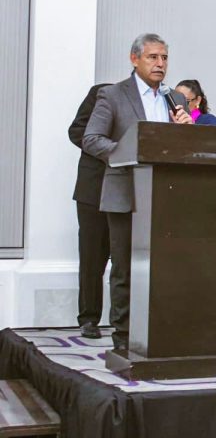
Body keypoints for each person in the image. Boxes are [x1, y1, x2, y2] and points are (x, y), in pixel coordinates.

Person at [82, 33, 192, 350]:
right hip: (125, 193)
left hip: (166, 195)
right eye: (152, 57)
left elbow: (181, 150)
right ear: (135, 59)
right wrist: (130, 152)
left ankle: (161, 330)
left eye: (164, 58)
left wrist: (187, 133)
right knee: (125, 268)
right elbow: (92, 139)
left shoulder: (176, 99)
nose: (160, 64)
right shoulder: (113, 95)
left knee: (164, 267)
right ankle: (123, 335)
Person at [68, 83, 113, 339]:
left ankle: (125, 321)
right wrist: (107, 147)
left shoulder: (153, 102)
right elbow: (76, 130)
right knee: (92, 257)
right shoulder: (101, 92)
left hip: (130, 189)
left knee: (127, 260)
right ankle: (88, 318)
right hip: (93, 188)